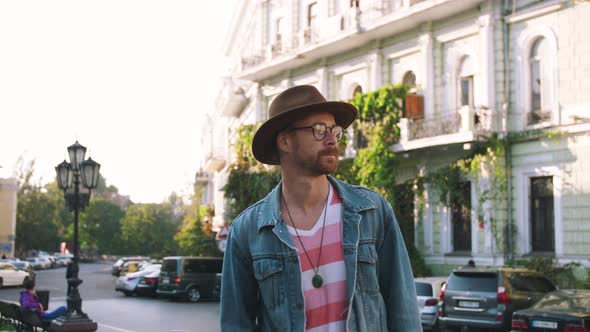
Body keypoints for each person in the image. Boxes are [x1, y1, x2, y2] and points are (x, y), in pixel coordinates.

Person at [220, 85, 421, 331]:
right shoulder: (248, 230)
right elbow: (236, 324)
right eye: (318, 130)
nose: (332, 139)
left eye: (335, 130)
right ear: (284, 141)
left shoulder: (371, 212)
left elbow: (404, 311)